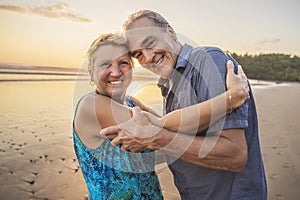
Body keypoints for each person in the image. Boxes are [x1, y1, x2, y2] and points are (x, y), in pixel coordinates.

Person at [101, 10, 267, 199]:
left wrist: (155, 137)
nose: (147, 58)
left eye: (150, 43)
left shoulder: (207, 60)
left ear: (169, 31)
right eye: (138, 54)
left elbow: (235, 155)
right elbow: (181, 141)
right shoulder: (168, 83)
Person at [73, 33, 249, 199]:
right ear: (91, 72)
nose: (116, 71)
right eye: (105, 64)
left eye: (123, 63)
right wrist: (230, 99)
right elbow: (163, 126)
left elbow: (173, 128)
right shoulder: (91, 106)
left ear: (132, 69)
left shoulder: (131, 103)